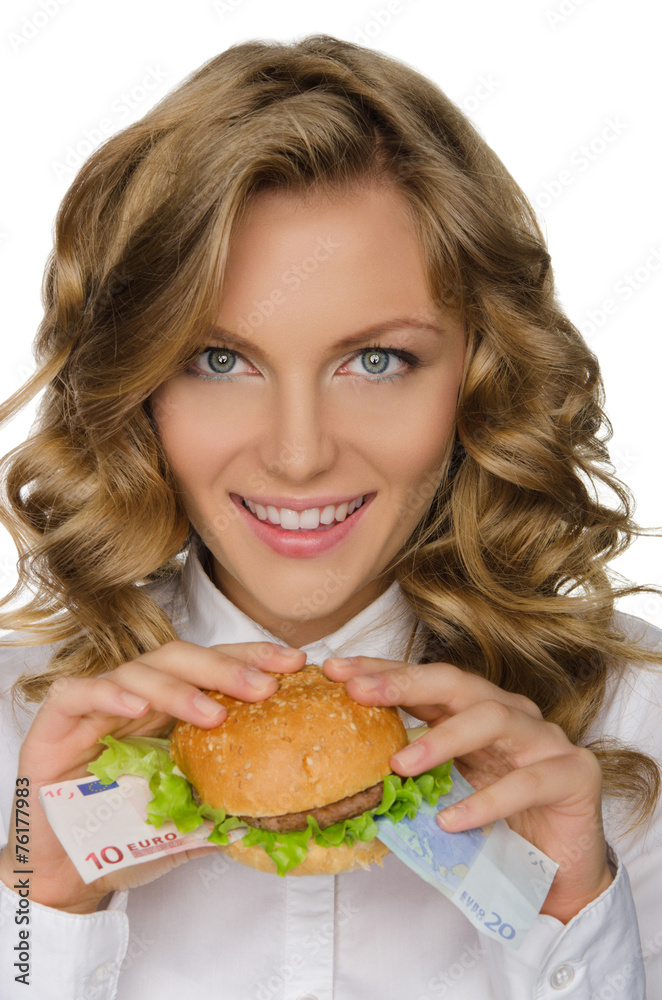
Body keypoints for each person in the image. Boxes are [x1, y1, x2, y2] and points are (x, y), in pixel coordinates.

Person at [0, 33, 660, 999]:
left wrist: (571, 919)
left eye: (378, 360)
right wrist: (34, 903)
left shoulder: (634, 720)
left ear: (482, 373)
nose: (299, 454)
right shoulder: (19, 737)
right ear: (136, 388)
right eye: (218, 361)